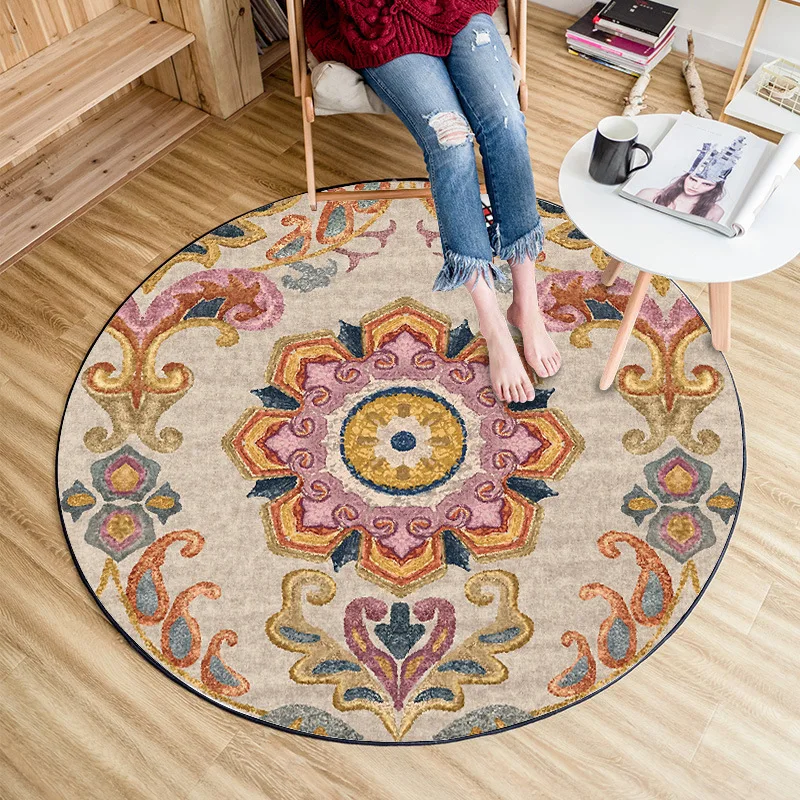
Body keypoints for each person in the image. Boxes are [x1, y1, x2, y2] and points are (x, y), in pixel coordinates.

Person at [304, 0, 560, 404]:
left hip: (459, 5)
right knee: (450, 140)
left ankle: (526, 305)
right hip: (378, 19)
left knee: (507, 123)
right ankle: (492, 322)